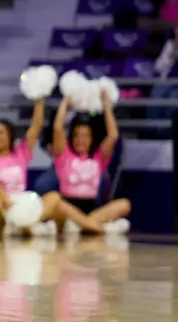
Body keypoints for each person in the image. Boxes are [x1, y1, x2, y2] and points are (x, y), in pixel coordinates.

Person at [0, 102, 89, 237]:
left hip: (23, 205)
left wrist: (39, 100)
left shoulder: (20, 154)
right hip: (3, 208)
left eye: (0, 133)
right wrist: (10, 206)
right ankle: (22, 226)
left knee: (54, 197)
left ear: (10, 136)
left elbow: (36, 128)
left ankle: (25, 225)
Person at [46, 95, 130, 233]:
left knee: (125, 204)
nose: (80, 140)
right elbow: (57, 128)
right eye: (77, 135)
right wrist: (65, 103)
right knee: (56, 201)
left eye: (85, 136)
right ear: (71, 138)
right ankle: (89, 225)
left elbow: (113, 136)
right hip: (67, 208)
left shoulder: (98, 157)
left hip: (91, 209)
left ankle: (83, 224)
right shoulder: (64, 155)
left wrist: (106, 107)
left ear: (92, 139)